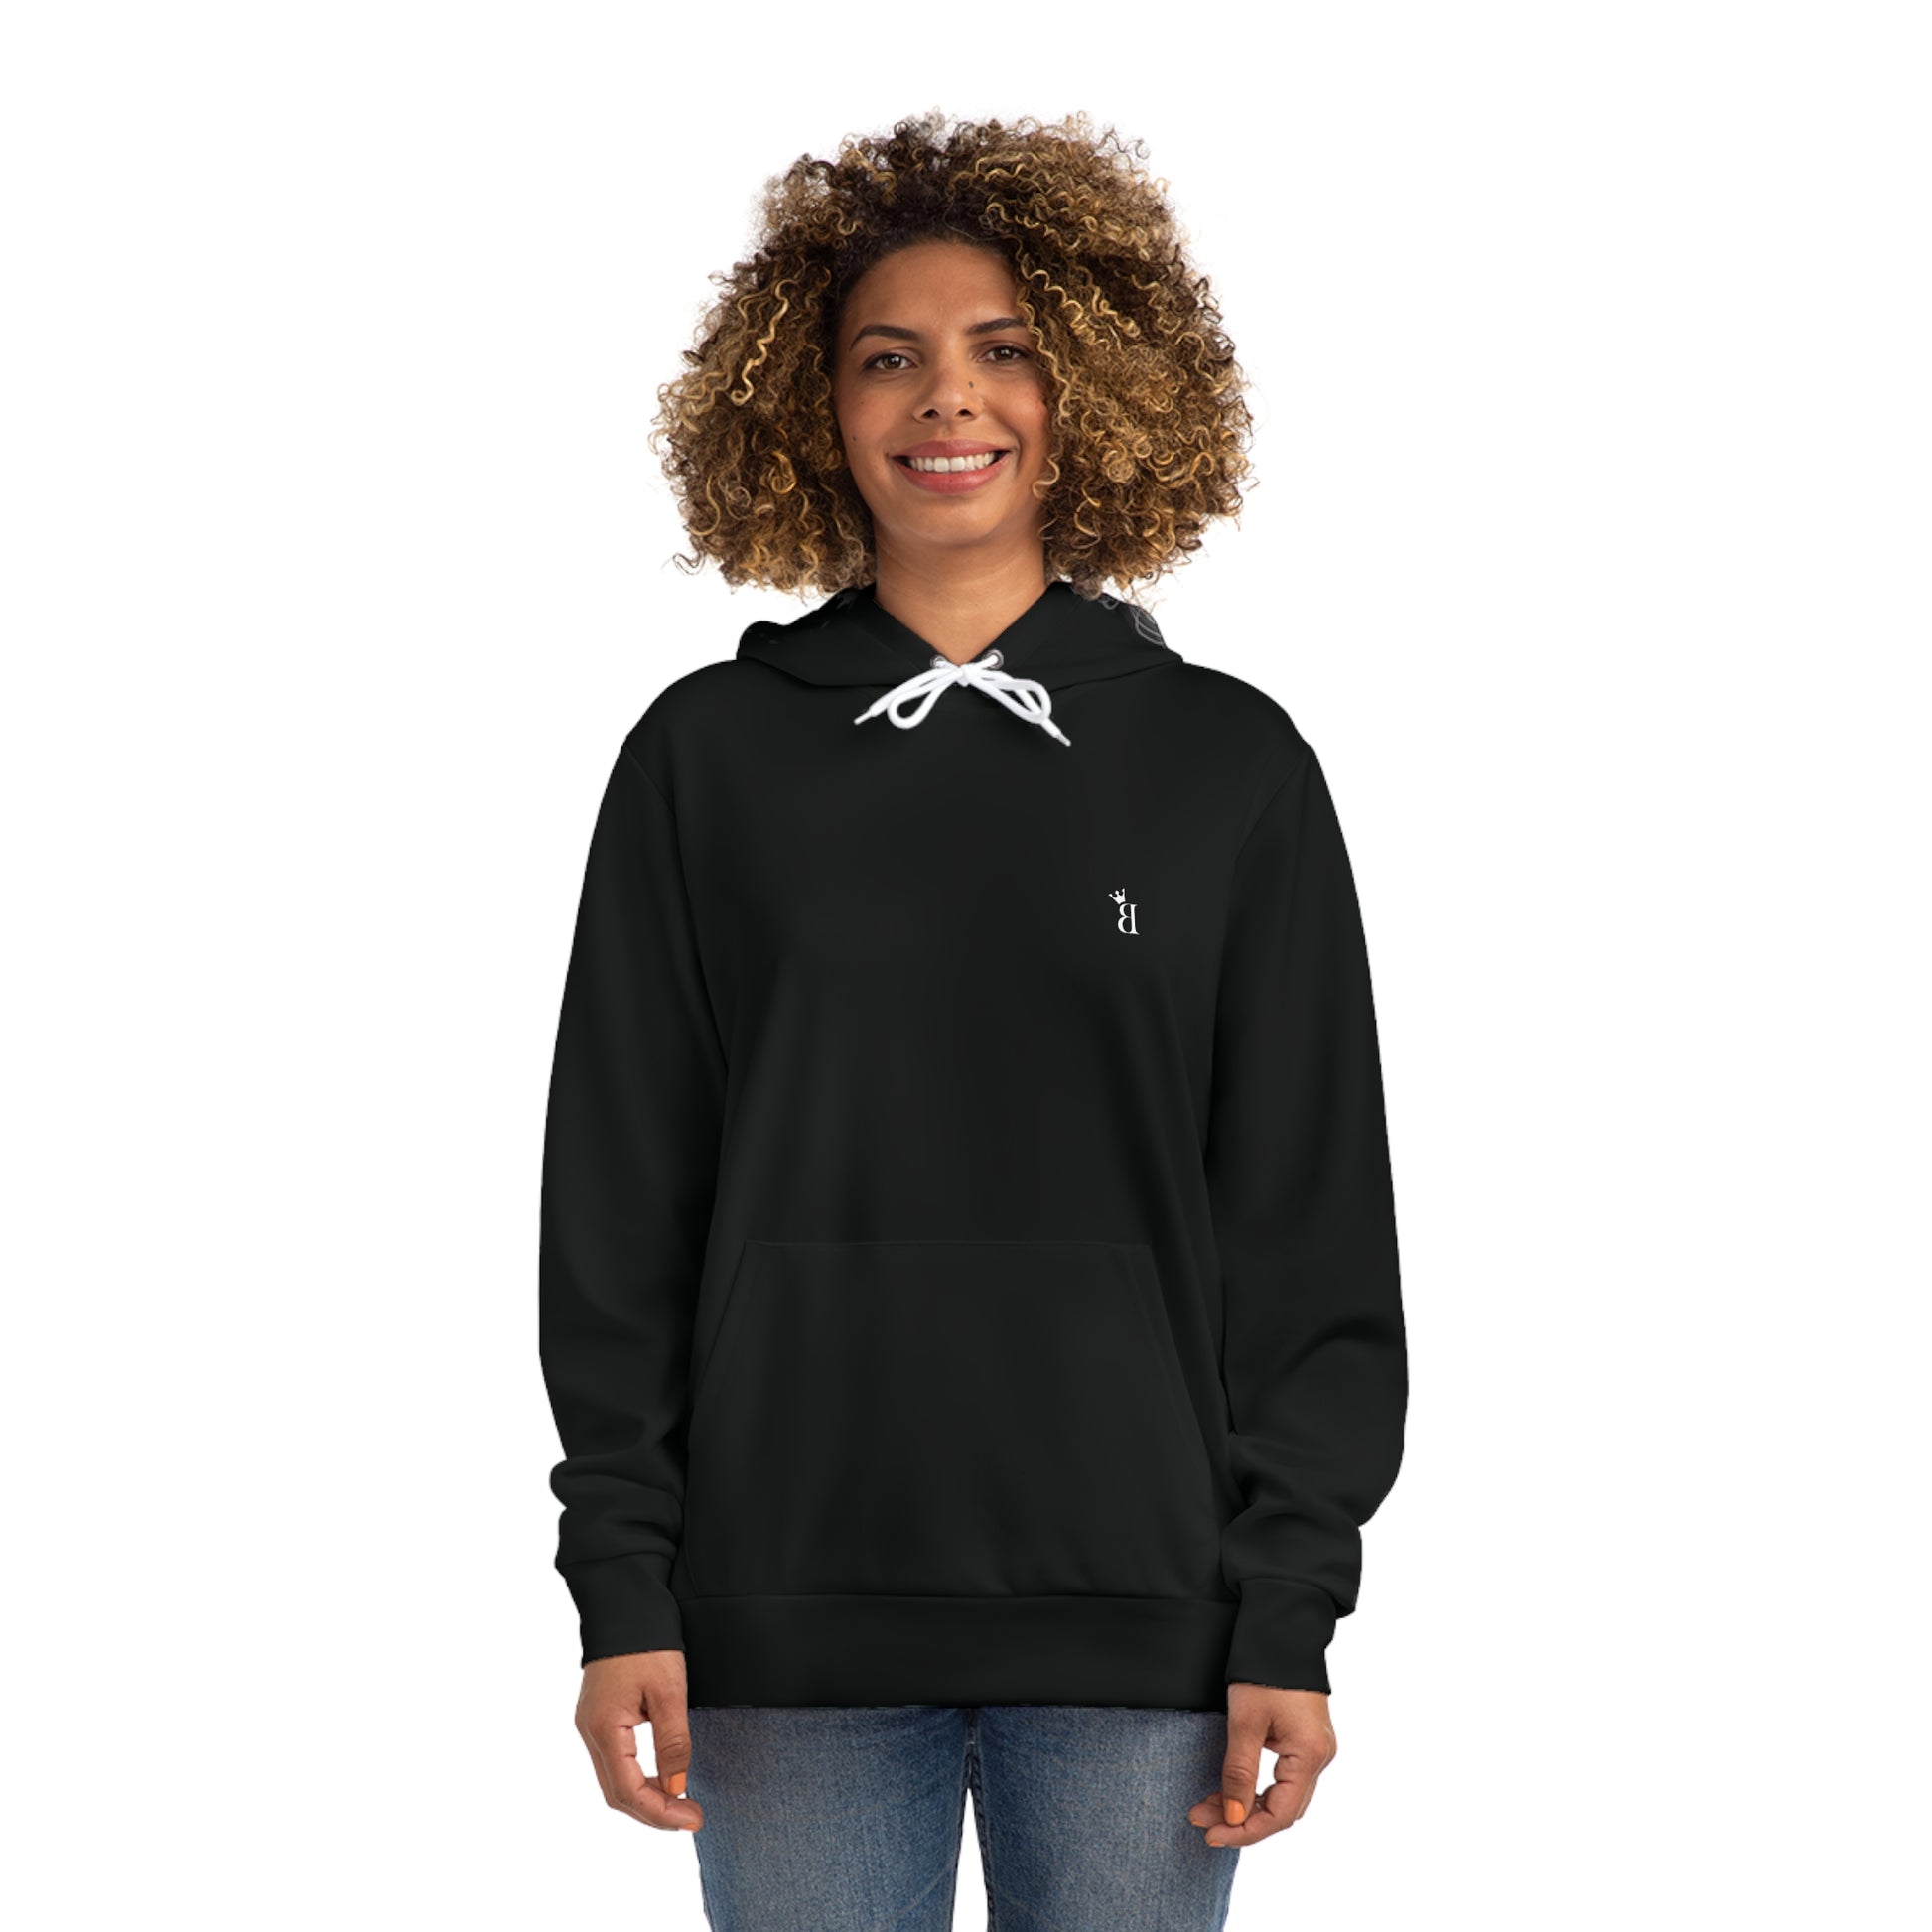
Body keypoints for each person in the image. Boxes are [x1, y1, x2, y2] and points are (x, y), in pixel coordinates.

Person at [537, 109, 1408, 1931]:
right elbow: (619, 1210)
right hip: (780, 1620)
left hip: (1146, 1624)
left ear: (1091, 386)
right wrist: (622, 1580)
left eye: (1004, 348)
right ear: (809, 404)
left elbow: (1308, 1227)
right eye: (888, 356)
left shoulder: (1227, 766)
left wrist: (1288, 1603)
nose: (949, 398)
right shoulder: (705, 761)